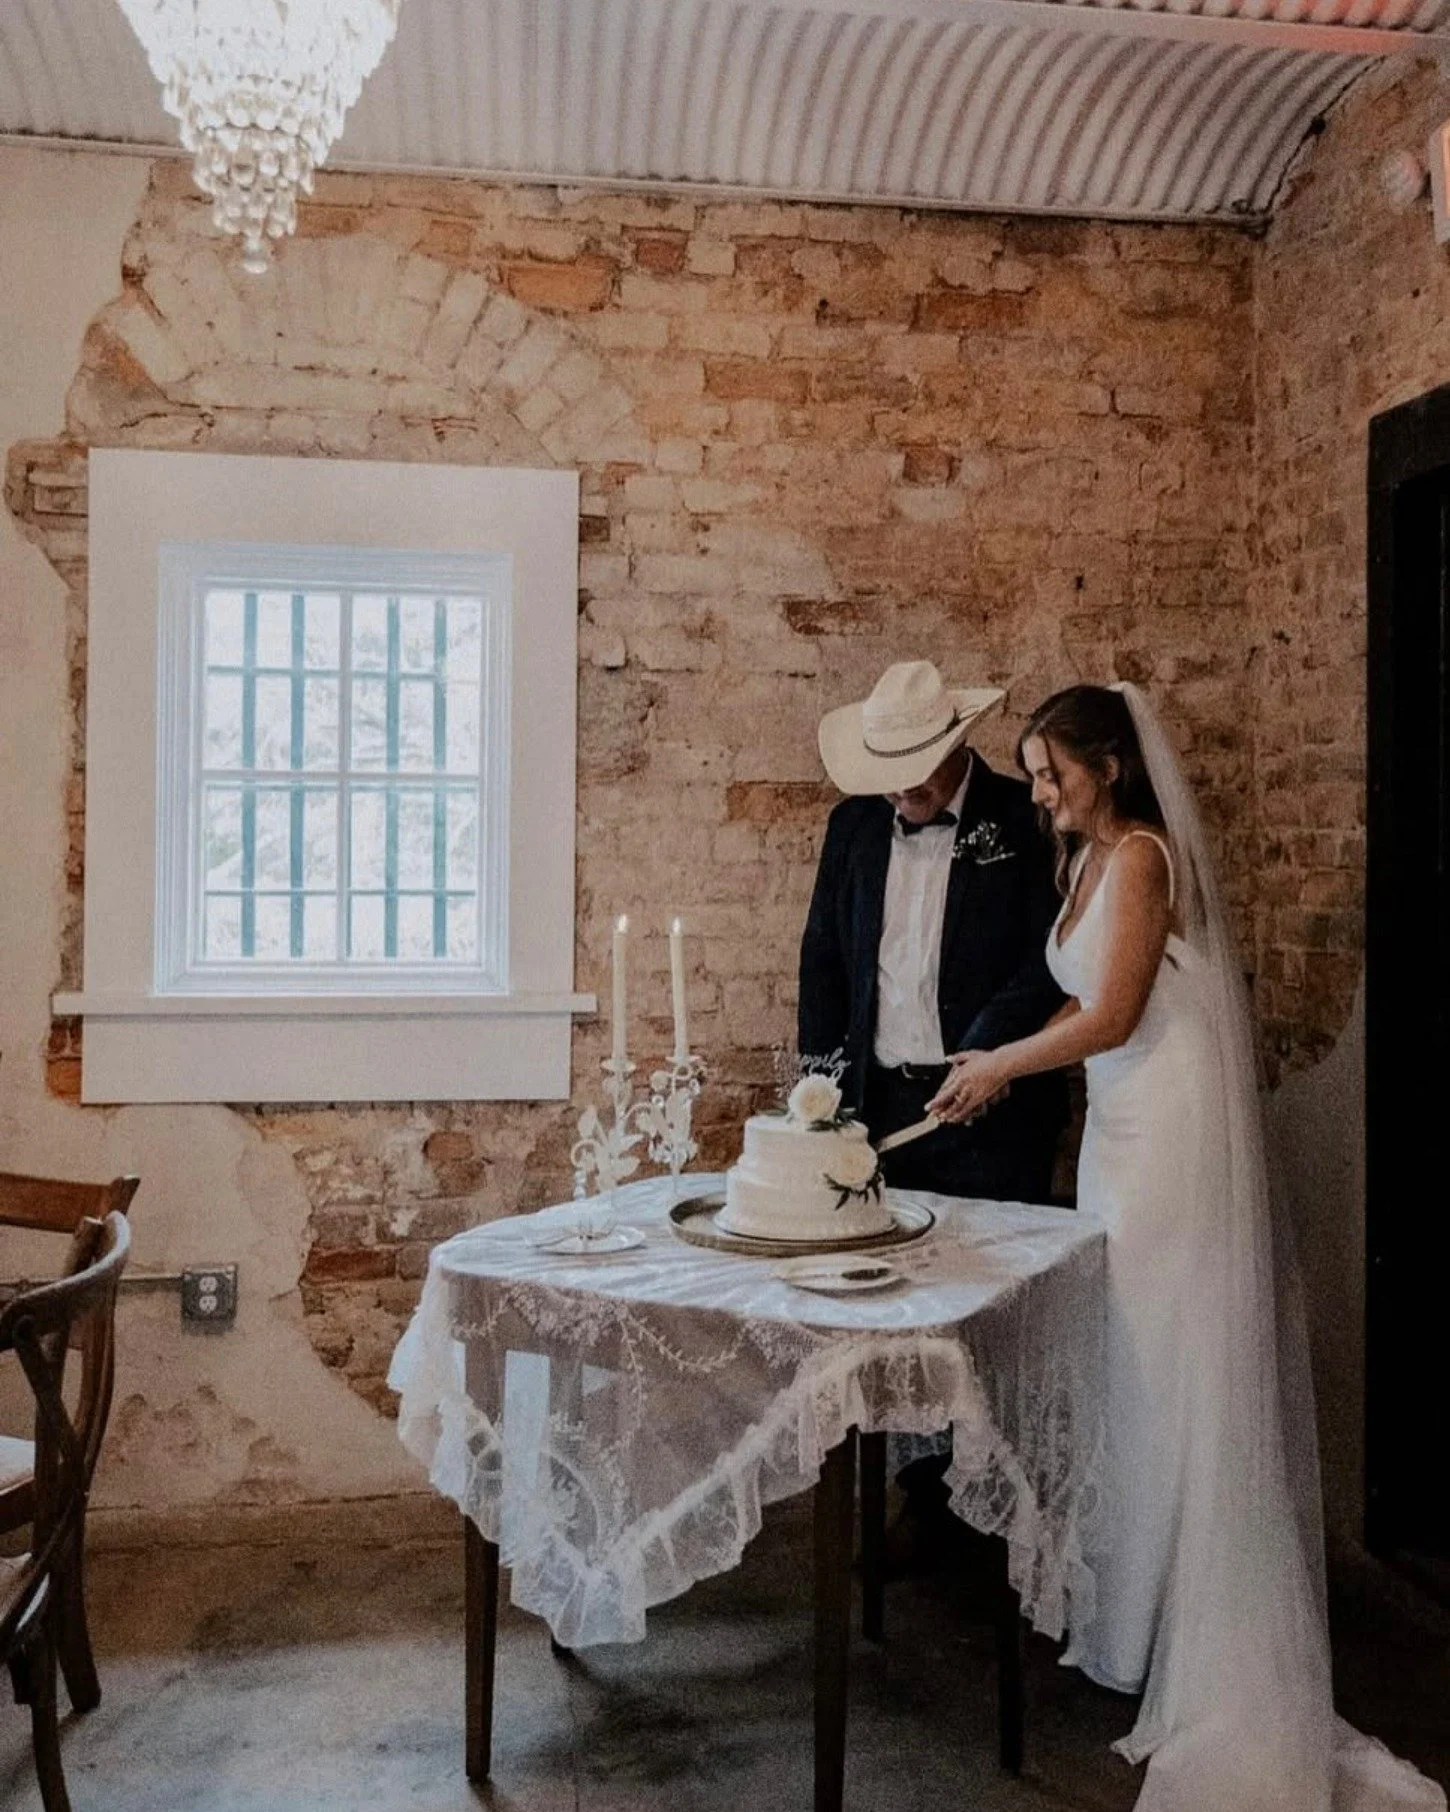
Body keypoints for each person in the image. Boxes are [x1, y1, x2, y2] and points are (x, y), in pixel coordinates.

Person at [928, 682, 1443, 1812]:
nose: (1040, 790)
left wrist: (999, 1067)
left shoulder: (1146, 857)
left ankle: (1213, 1648)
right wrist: (994, 1062)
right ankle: (1137, 1622)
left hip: (1171, 1131)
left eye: (1052, 770)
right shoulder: (1077, 862)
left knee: (1179, 1363)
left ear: (1107, 765)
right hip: (1118, 1132)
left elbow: (1111, 1017)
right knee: (1136, 1371)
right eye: (1031, 773)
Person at [798, 659, 1068, 1205]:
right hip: (878, 1111)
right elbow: (823, 964)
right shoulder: (851, 828)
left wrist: (989, 1056)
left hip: (1000, 1114)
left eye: (915, 767)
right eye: (887, 774)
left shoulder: (1026, 819)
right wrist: (823, 1101)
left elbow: (1053, 957)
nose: (899, 789)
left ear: (956, 745)